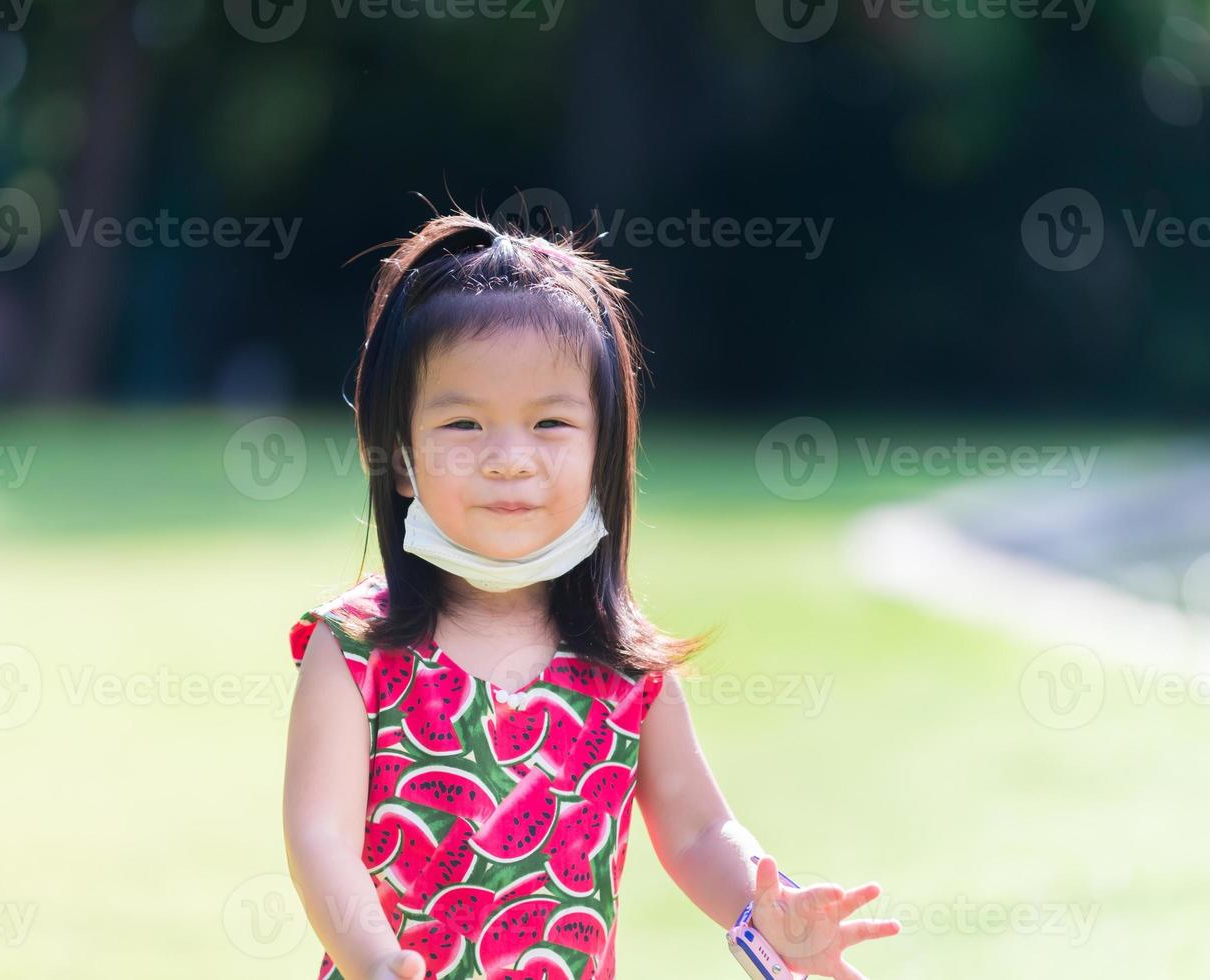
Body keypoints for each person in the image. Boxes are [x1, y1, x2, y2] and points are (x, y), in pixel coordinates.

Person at [282, 208, 900, 979]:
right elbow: (320, 836)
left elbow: (701, 830)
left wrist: (764, 910)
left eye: (550, 423)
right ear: (401, 460)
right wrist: (374, 959)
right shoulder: (354, 649)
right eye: (465, 424)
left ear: (603, 451)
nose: (510, 459)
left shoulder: (625, 661)